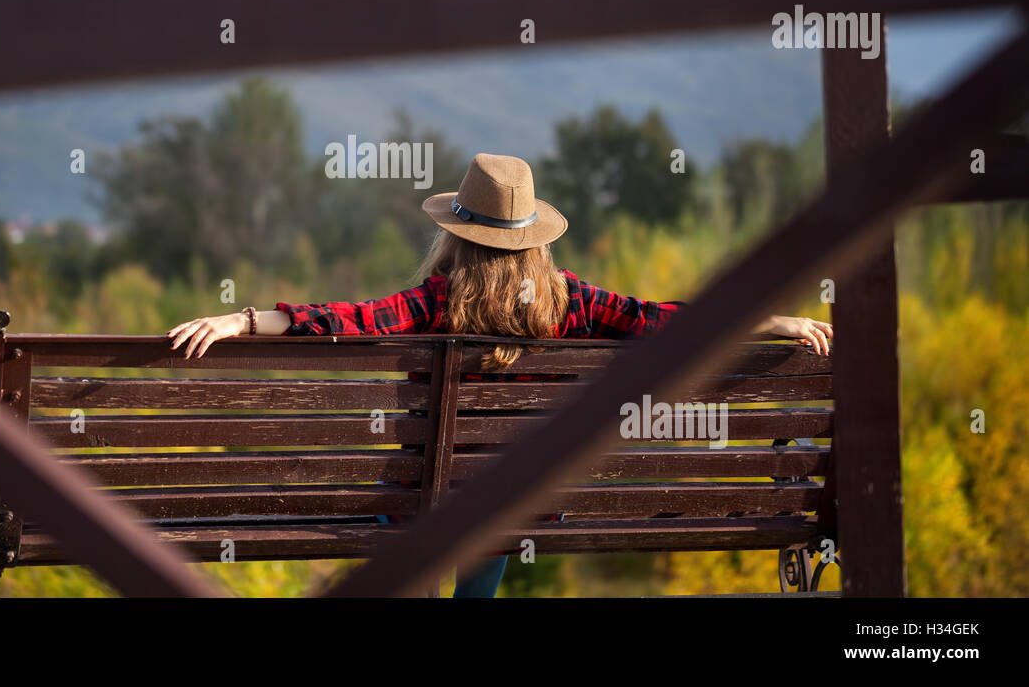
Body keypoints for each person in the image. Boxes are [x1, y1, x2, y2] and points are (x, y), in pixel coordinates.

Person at [167, 153, 832, 597]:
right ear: (534, 236)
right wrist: (764, 321)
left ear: (458, 233)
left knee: (420, 510)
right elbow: (661, 321)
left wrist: (244, 321)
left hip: (419, 508)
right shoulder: (570, 302)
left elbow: (351, 318)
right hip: (520, 504)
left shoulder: (434, 303)